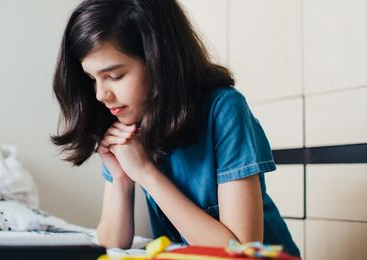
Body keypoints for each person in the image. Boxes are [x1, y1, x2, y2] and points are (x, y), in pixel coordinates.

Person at [51, 0, 300, 257]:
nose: (101, 94)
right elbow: (113, 242)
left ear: (160, 60)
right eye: (93, 79)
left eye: (115, 76)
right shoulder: (127, 121)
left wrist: (147, 174)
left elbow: (241, 252)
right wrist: (122, 178)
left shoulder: (223, 109)